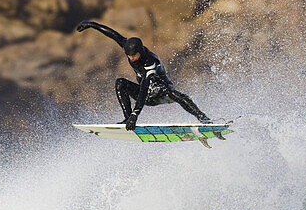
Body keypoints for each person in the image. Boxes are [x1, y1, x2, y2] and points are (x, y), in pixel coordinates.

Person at [76, 20, 211, 130]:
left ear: (140, 52)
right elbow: (113, 35)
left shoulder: (150, 62)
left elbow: (144, 88)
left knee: (176, 94)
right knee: (120, 83)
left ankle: (204, 119)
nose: (131, 58)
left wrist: (136, 115)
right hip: (146, 96)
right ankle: (127, 119)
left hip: (161, 93)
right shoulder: (129, 48)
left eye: (133, 55)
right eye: (128, 55)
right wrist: (92, 25)